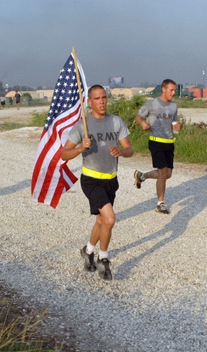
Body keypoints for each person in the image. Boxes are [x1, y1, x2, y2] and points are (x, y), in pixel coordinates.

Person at [61, 84, 134, 280]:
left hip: (111, 179)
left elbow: (130, 149)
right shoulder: (83, 126)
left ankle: (88, 250)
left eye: (104, 98)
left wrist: (121, 152)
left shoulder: (116, 122)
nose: (101, 102)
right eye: (97, 98)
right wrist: (79, 148)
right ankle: (103, 259)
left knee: (101, 220)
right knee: (110, 219)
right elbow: (64, 154)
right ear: (90, 102)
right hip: (91, 180)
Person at [133, 78, 181, 214]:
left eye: (174, 91)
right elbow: (138, 117)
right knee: (162, 172)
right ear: (163, 89)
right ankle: (160, 203)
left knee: (167, 174)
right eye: (171, 90)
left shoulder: (174, 106)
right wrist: (143, 124)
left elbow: (174, 124)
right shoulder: (152, 103)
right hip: (156, 141)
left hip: (169, 142)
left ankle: (142, 176)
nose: (173, 93)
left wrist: (178, 127)